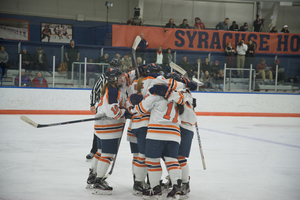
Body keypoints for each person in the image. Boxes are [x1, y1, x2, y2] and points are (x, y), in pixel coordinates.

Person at [89, 68, 125, 195]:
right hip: (109, 127)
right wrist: (125, 112)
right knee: (108, 154)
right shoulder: (113, 90)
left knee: (99, 152)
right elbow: (112, 112)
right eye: (119, 77)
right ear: (113, 79)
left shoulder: (109, 88)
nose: (122, 79)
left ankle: (93, 176)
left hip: (100, 127)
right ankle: (99, 181)